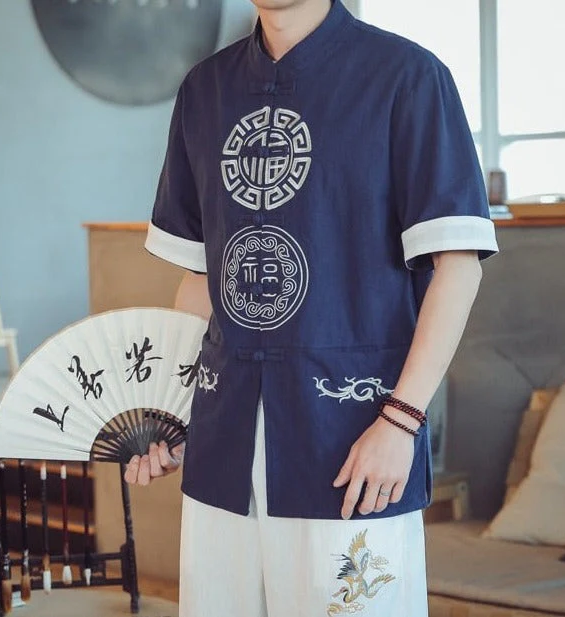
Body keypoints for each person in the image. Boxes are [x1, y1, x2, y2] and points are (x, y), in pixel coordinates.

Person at [125, 1, 499, 615]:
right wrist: (170, 413)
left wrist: (401, 421)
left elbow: (457, 267)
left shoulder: (407, 76)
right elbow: (201, 278)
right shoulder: (203, 90)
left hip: (352, 439)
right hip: (223, 439)